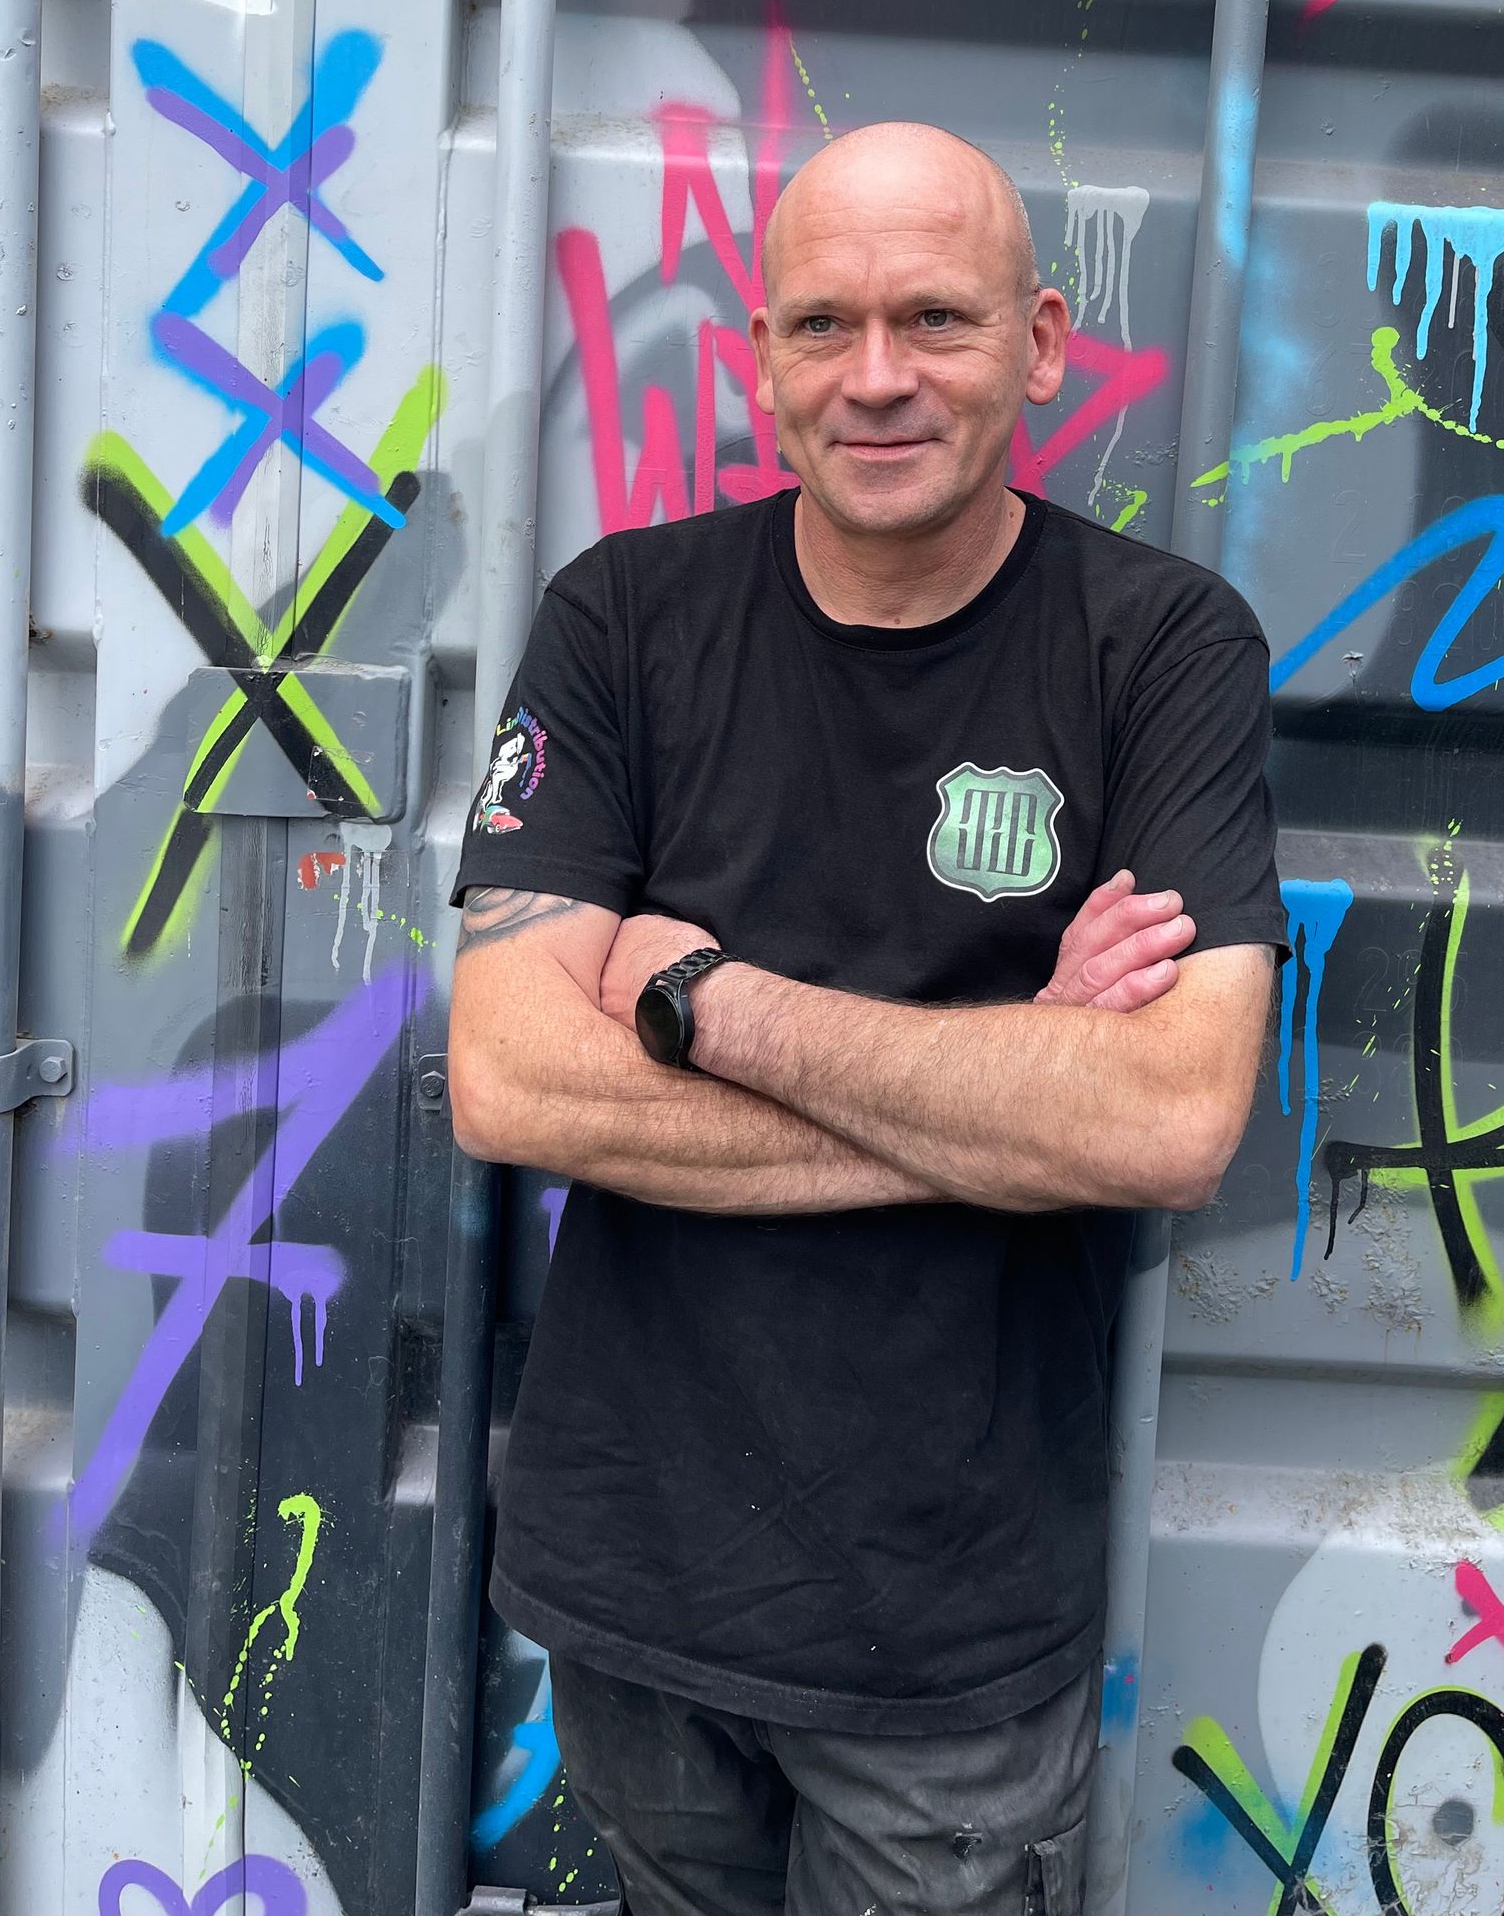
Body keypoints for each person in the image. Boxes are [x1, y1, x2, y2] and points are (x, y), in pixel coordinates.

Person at [446, 121, 1287, 1916]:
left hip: (949, 1641)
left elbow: (1168, 1122)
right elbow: (510, 1080)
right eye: (823, 324)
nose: (877, 377)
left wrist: (704, 1000)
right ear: (762, 357)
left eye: (937, 320)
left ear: (1041, 345)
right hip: (635, 1589)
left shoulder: (1161, 650)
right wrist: (1013, 1096)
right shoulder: (624, 621)